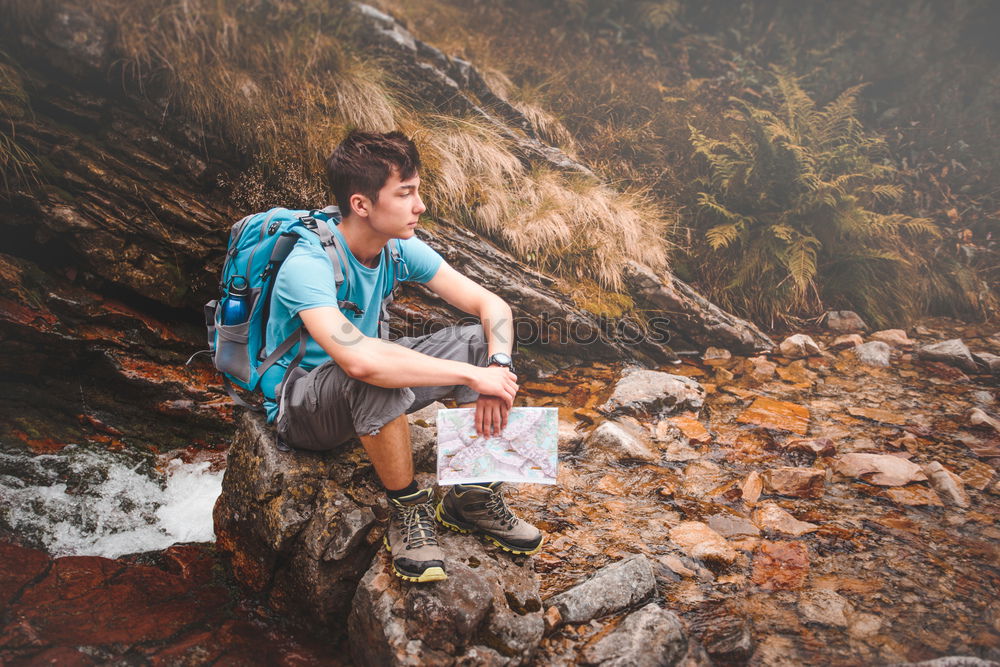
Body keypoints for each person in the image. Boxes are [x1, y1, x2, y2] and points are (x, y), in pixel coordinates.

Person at [260, 130, 543, 583]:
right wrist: (471, 377)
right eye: (406, 193)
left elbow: (494, 308)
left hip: (359, 386)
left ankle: (471, 496)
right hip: (302, 409)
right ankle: (408, 510)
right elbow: (360, 362)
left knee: (479, 340)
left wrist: (496, 366)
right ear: (362, 204)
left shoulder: (397, 248)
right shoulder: (307, 264)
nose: (420, 205)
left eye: (418, 190)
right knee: (374, 370)